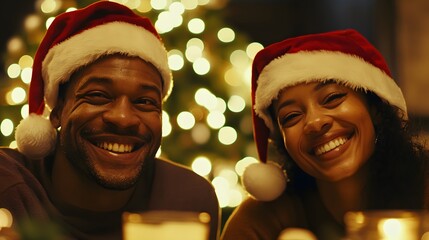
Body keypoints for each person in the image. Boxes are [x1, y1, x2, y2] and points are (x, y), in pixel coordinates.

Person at [0, 2, 220, 240]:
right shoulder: (8, 188)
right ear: (57, 110)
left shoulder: (188, 201)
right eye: (98, 96)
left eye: (144, 101)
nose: (123, 118)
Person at [221, 29, 429, 240]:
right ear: (283, 142)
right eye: (291, 116)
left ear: (375, 109)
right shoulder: (263, 218)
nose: (315, 122)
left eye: (332, 98)